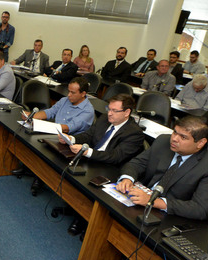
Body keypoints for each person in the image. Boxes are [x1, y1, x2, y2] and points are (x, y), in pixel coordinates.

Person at [116, 116, 208, 220]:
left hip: (172, 216)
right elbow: (137, 163)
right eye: (175, 132)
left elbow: (201, 209)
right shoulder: (163, 141)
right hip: (140, 202)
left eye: (183, 137)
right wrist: (127, 179)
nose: (174, 139)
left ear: (200, 143)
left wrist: (153, 201)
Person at [60, 93, 145, 235]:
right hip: (93, 159)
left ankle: (81, 218)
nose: (109, 113)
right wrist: (72, 138)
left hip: (110, 169)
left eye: (114, 110)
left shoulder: (134, 133)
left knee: (84, 178)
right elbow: (89, 135)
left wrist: (88, 152)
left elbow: (115, 157)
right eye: (109, 109)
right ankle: (72, 204)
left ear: (127, 112)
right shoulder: (104, 119)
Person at [26, 76, 93, 134]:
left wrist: (41, 125)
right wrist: (31, 116)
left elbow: (67, 128)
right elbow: (50, 112)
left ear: (83, 94)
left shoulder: (88, 111)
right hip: (55, 133)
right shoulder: (65, 100)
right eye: (69, 91)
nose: (69, 95)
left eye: (73, 92)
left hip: (69, 139)